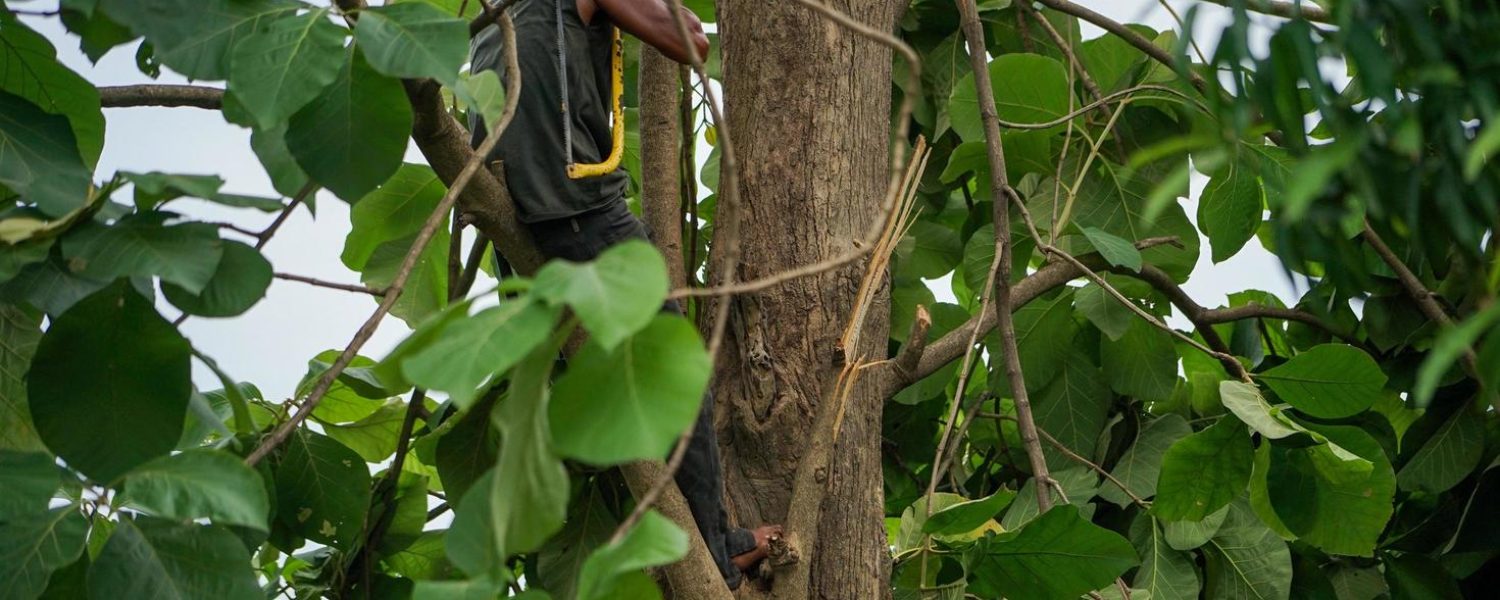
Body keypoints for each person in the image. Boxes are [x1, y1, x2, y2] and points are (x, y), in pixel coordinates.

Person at [468, 0, 781, 590]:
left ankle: (689, 534)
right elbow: (691, 40)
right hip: (574, 203)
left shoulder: (503, 11)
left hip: (515, 201)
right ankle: (714, 551)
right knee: (674, 371)